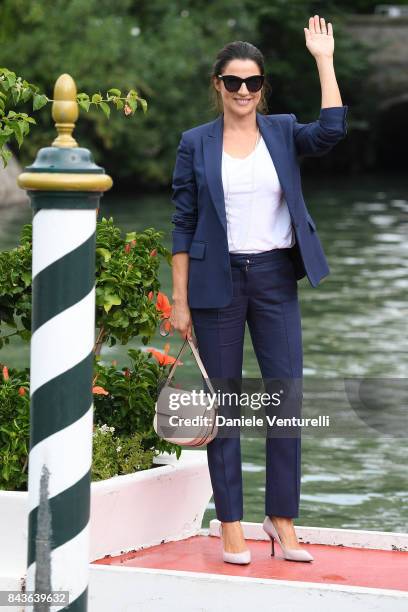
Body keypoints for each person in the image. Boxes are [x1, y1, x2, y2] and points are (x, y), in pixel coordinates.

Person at [169, 15, 348, 564]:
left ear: (262, 87)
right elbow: (182, 220)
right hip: (214, 281)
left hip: (273, 277)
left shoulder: (283, 130)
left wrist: (323, 60)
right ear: (217, 86)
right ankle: (230, 525)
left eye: (252, 82)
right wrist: (179, 299)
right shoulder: (195, 143)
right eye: (232, 82)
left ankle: (282, 520)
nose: (243, 91)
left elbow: (333, 130)